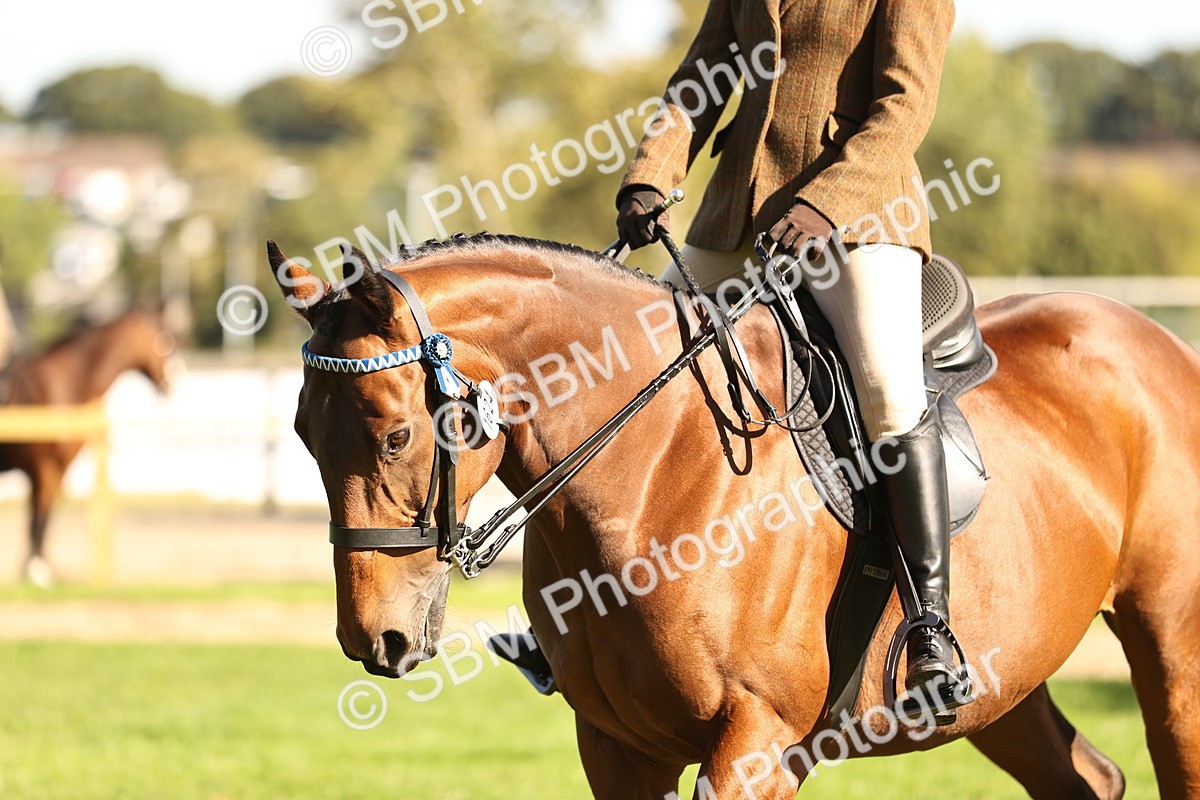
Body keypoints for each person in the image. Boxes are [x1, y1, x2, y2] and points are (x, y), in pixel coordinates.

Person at [614, 0, 967, 715]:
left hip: (863, 214)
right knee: (636, 378)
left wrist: (828, 203)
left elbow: (906, 104)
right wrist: (652, 171)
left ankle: (931, 624)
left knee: (889, 391)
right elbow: (704, 76)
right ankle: (589, 615)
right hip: (739, 213)